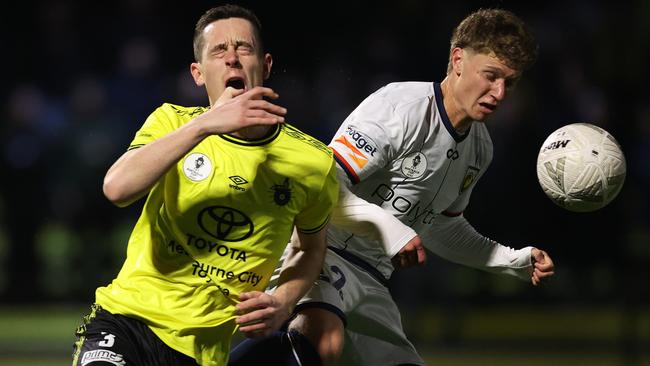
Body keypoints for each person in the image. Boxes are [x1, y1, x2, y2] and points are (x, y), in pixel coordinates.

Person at [229, 8, 555, 366]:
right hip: (317, 249)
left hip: (370, 278)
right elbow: (322, 185)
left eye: (510, 82)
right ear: (458, 59)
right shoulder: (402, 107)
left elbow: (440, 227)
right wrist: (390, 229)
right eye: (491, 76)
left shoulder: (480, 149)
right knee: (322, 337)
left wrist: (512, 261)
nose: (499, 92)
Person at [71, 4, 339, 366]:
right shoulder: (172, 123)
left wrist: (283, 302)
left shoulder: (312, 161)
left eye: (244, 48)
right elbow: (117, 188)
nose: (232, 59)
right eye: (219, 51)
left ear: (267, 64)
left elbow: (310, 249)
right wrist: (205, 125)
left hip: (202, 353)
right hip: (125, 322)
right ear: (198, 73)